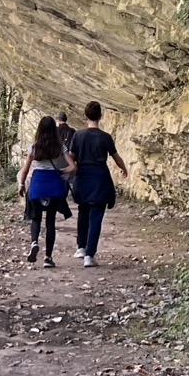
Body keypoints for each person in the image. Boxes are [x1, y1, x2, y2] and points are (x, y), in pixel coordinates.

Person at [68, 101, 128, 268]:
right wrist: (124, 169)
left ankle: (81, 247)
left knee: (83, 212)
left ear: (85, 116)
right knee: (96, 217)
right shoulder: (105, 137)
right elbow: (116, 158)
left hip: (82, 178)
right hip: (100, 179)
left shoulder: (78, 135)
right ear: (100, 116)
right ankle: (90, 255)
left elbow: (71, 157)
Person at [17, 116, 76, 268]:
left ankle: (34, 242)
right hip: (53, 185)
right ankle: (48, 258)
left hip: (37, 184)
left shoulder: (33, 148)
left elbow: (25, 170)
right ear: (53, 130)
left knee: (36, 218)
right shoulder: (60, 147)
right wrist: (60, 171)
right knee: (50, 221)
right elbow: (72, 167)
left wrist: (21, 185)